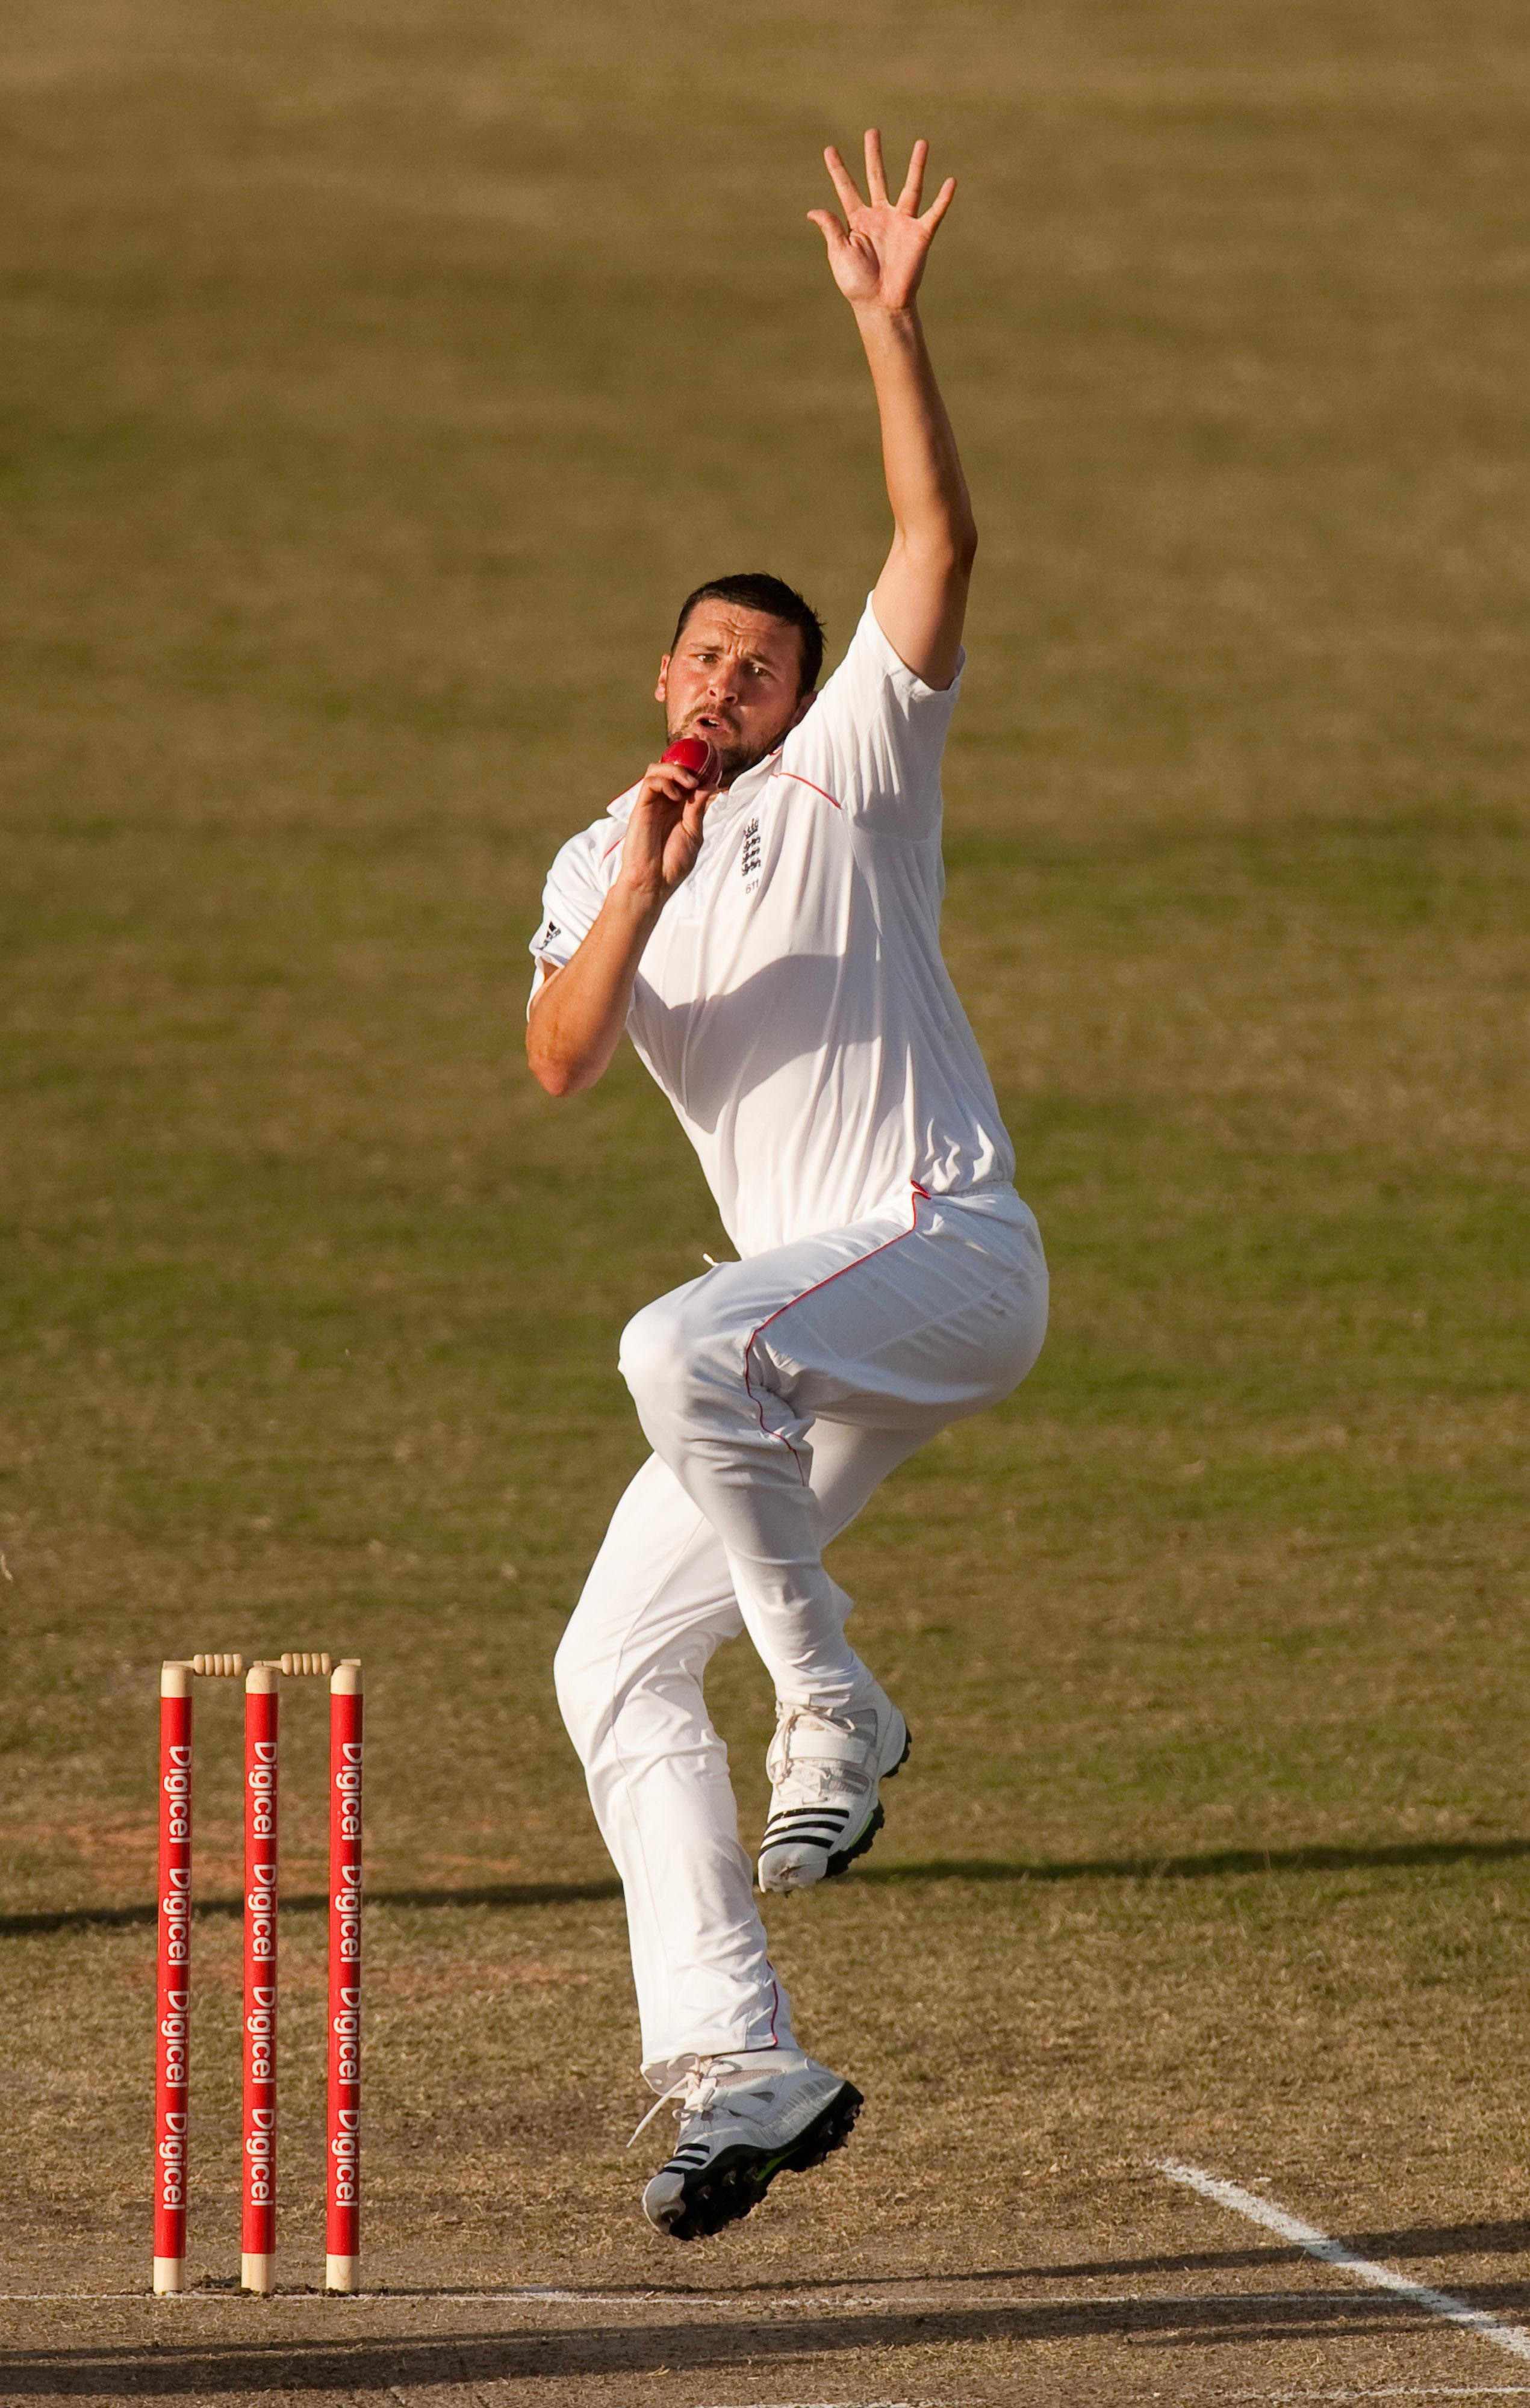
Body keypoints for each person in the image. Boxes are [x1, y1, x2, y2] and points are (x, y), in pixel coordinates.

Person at [527, 132, 1048, 2241]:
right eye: (705, 664)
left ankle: (834, 1696)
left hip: (950, 1256)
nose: (730, 688)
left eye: (762, 665)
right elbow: (563, 1057)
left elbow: (940, 533)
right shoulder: (595, 861)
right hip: (798, 1355)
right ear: (661, 678)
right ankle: (745, 2062)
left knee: (677, 1333)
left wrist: (885, 322)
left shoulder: (854, 767)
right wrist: (642, 890)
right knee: (609, 1672)